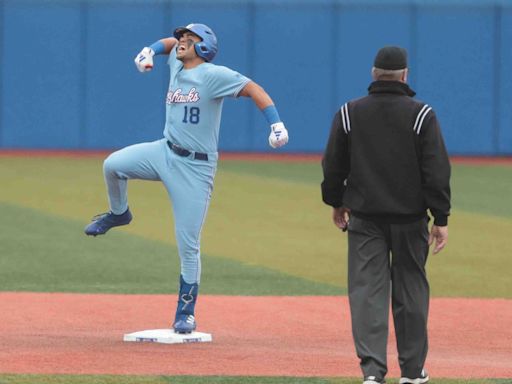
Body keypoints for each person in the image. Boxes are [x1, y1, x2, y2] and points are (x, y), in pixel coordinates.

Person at [84, 23, 289, 334]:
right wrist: (149, 49)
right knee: (112, 165)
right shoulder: (176, 62)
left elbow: (254, 89)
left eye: (189, 40)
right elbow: (167, 42)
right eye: (182, 38)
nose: (181, 43)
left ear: (204, 47)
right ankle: (118, 213)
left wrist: (276, 125)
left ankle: (186, 311)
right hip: (164, 151)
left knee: (188, 244)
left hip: (195, 169)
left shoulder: (214, 75)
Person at [321, 46, 450, 384]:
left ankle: (372, 373)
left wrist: (336, 201)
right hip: (411, 220)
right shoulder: (422, 114)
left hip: (365, 219)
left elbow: (333, 164)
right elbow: (436, 170)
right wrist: (442, 217)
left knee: (367, 293)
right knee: (411, 292)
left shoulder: (350, 112)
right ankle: (411, 372)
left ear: (373, 73)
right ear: (405, 76)